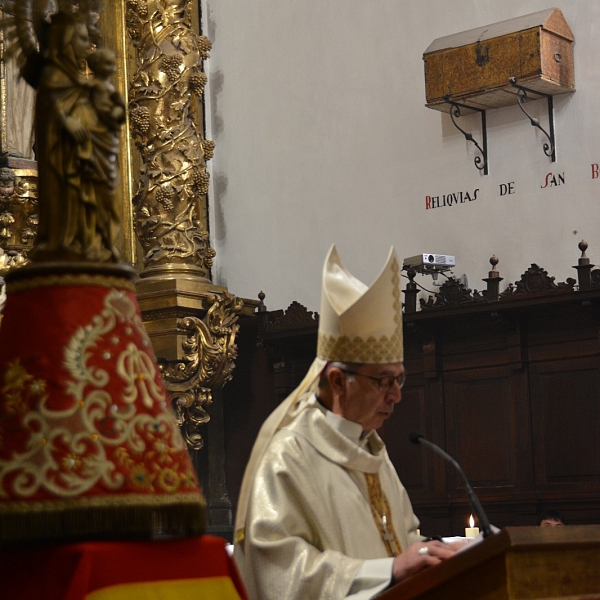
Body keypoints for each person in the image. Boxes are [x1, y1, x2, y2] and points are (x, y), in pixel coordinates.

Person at [234, 246, 460, 600]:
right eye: (384, 381)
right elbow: (279, 572)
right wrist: (388, 571)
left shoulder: (371, 452)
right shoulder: (287, 457)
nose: (396, 396)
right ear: (338, 381)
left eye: (399, 380)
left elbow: (404, 540)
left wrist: (436, 557)